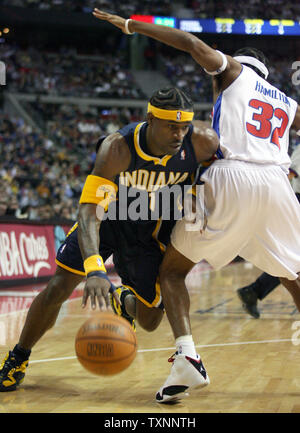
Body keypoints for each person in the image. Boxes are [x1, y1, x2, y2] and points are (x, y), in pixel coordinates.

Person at [91, 10, 300, 403]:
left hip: (233, 174)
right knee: (293, 274)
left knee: (172, 272)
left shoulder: (233, 72)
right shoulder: (287, 102)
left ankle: (187, 355)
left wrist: (132, 25)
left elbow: (190, 43)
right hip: (278, 185)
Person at [0, 87, 219, 392]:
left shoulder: (202, 143)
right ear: (150, 119)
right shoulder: (117, 148)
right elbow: (89, 213)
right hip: (110, 220)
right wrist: (94, 269)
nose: (178, 134)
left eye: (184, 127)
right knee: (59, 286)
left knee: (150, 321)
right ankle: (18, 357)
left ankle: (123, 300)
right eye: (171, 126)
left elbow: (221, 172)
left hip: (150, 231)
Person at [237, 144, 300, 318]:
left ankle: (254, 291)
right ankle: (254, 291)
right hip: (292, 204)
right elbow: (289, 175)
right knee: (289, 260)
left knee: (289, 261)